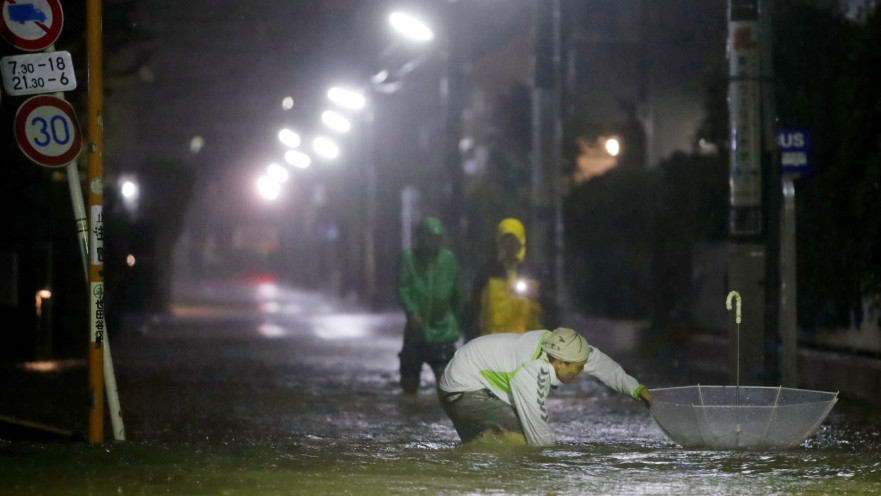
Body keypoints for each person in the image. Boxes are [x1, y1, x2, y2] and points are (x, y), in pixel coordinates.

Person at [438, 327, 651, 446]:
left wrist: (636, 389)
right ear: (559, 363)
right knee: (519, 441)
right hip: (461, 392)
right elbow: (538, 431)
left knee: (500, 442)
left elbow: (602, 364)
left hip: (480, 382)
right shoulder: (531, 371)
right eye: (577, 369)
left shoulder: (560, 346)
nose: (580, 373)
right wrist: (552, 466)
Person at [396, 217, 464, 394]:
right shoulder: (409, 259)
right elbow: (403, 288)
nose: (433, 242)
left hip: (443, 330)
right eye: (430, 237)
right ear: (421, 238)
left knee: (448, 384)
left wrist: (454, 320)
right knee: (409, 381)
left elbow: (457, 293)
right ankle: (410, 407)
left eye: (437, 238)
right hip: (416, 330)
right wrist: (412, 312)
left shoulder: (448, 260)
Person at [467, 218, 558, 340]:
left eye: (514, 242)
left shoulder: (535, 273)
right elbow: (474, 311)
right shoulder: (487, 273)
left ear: (521, 242)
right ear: (498, 243)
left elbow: (552, 310)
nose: (509, 247)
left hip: (527, 343)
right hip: (493, 344)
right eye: (505, 241)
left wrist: (538, 297)